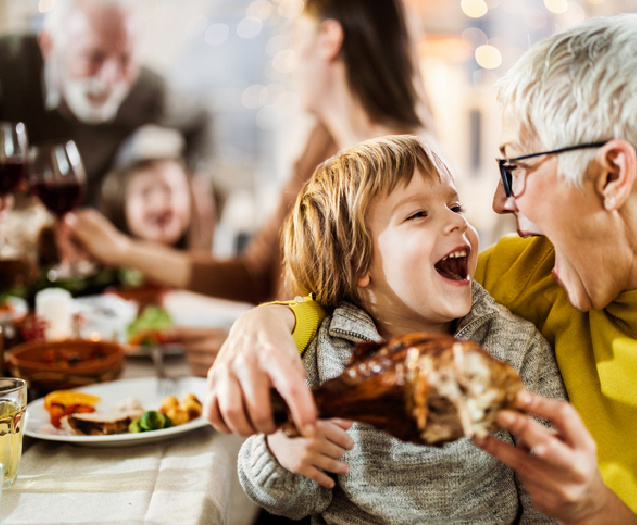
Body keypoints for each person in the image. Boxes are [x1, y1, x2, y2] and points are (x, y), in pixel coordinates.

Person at [204, 13, 637, 524]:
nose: (497, 203)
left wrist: (594, 510)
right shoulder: (526, 269)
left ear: (611, 175)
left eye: (516, 169)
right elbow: (370, 291)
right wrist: (265, 325)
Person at [66, 0, 429, 376]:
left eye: (294, 40)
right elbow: (257, 273)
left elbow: (387, 342)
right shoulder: (321, 142)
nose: (289, 62)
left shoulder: (409, 172)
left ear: (328, 40)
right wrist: (121, 250)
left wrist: (264, 351)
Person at [239, 134, 565, 523]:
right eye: (418, 215)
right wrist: (279, 452)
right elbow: (288, 500)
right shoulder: (322, 360)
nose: (458, 221)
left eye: (454, 204)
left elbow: (550, 495)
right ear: (359, 264)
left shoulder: (514, 346)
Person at [0, 0, 210, 208]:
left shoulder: (143, 91)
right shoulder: (7, 66)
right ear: (49, 45)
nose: (110, 78)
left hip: (80, 214)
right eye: (95, 57)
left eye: (125, 60)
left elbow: (201, 118)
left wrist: (195, 183)